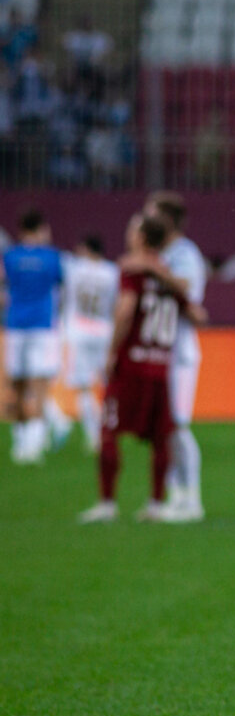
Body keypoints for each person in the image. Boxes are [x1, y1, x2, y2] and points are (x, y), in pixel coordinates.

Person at [78, 214, 205, 523]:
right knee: (161, 437)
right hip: (160, 365)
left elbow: (125, 311)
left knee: (109, 431)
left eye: (133, 230)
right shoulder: (169, 275)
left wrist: (112, 352)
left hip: (132, 362)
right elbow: (197, 315)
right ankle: (156, 503)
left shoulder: (132, 270)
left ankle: (107, 503)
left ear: (142, 238)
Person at [145, 191, 207, 522]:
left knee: (178, 425)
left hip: (180, 352)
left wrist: (153, 270)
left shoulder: (185, 254)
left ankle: (192, 499)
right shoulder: (161, 254)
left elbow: (188, 295)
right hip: (159, 349)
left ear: (167, 219)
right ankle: (175, 497)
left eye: (151, 214)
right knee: (163, 428)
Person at [2, 210, 63, 463]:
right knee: (38, 387)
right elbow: (60, 286)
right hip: (42, 327)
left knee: (17, 385)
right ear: (41, 228)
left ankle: (20, 442)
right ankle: (34, 446)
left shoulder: (10, 257)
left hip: (16, 325)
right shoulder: (51, 257)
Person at [61, 234, 120, 452]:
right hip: (104, 330)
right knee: (108, 385)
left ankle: (93, 434)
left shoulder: (73, 268)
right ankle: (109, 430)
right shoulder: (112, 272)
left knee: (84, 386)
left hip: (79, 331)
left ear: (86, 249)